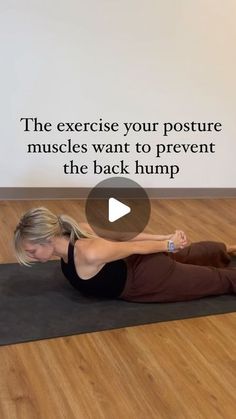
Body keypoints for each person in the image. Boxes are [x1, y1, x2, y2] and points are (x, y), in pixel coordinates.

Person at [14, 207, 236, 303]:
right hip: (140, 266)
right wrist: (165, 238)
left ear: (47, 239)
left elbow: (133, 247)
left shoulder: (89, 253)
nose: (31, 257)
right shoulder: (77, 230)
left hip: (148, 279)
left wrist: (168, 244)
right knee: (195, 253)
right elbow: (122, 235)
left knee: (216, 279)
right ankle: (230, 248)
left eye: (31, 251)